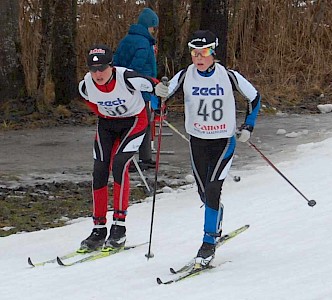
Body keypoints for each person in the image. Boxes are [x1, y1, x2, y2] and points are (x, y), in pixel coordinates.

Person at [154, 30, 261, 268]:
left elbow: (254, 98)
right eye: (194, 53)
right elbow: (158, 103)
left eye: (203, 53)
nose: (198, 58)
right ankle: (216, 217)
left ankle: (208, 242)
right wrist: (157, 97)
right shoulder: (184, 76)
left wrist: (248, 127)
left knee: (213, 189)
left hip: (223, 141)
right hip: (197, 141)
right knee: (204, 193)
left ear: (213, 53)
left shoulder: (229, 76)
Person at [78, 44, 164, 252]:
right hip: (107, 125)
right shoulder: (86, 85)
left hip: (134, 122)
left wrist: (158, 101)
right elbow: (88, 100)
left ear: (111, 67)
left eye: (102, 69)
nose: (98, 74)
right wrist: (104, 112)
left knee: (119, 165)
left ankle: (119, 227)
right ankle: (99, 228)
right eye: (93, 69)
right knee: (99, 170)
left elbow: (154, 86)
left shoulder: (127, 77)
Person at [113, 7, 159, 171]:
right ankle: (137, 158)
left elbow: (116, 62)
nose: (154, 31)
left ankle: (141, 157)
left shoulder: (126, 40)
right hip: (140, 89)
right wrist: (140, 84)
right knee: (142, 123)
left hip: (125, 88)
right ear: (149, 26)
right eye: (154, 27)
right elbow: (136, 68)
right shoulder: (143, 43)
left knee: (135, 122)